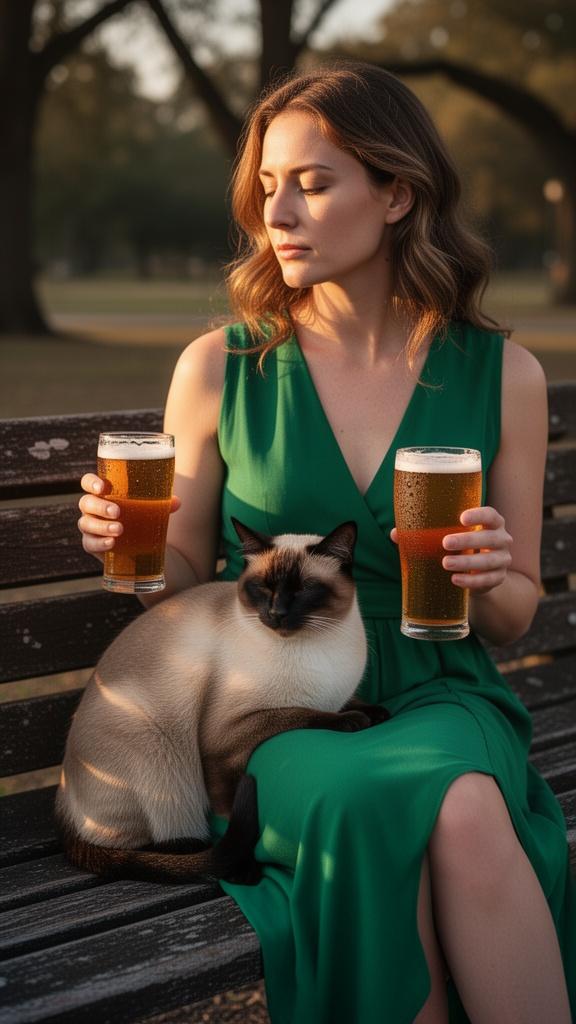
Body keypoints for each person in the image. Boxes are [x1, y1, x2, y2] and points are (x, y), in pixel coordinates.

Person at [77, 62, 575, 1024]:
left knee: (466, 807)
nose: (280, 212)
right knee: (364, 807)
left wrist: (482, 574)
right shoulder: (223, 366)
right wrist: (122, 554)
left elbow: (516, 615)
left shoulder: (505, 374)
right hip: (275, 706)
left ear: (396, 192)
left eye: (312, 182)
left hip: (440, 685)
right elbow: (178, 583)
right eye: (267, 187)